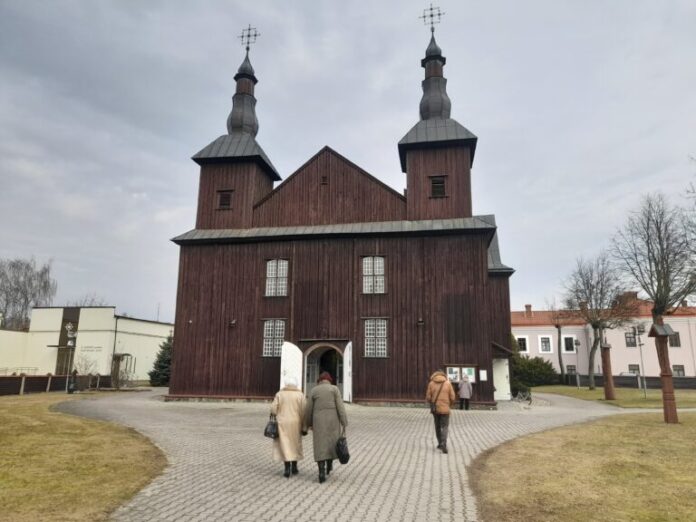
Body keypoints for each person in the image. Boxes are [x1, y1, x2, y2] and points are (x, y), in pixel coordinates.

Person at [304, 371, 348, 483]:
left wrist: (307, 424)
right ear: (329, 380)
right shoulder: (335, 389)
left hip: (318, 421)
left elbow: (308, 409)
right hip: (333, 421)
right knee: (331, 443)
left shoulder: (314, 390)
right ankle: (329, 466)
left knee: (320, 445)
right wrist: (344, 422)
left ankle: (321, 472)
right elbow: (340, 407)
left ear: (320, 380)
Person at [270, 376, 306, 478]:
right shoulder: (300, 395)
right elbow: (304, 411)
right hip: (296, 423)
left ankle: (287, 468)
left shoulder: (280, 394)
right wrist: (304, 426)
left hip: (283, 423)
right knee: (295, 444)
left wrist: (276, 413)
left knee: (285, 444)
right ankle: (294, 467)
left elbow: (273, 409)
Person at [425, 369, 456, 454]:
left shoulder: (431, 383)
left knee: (437, 426)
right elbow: (453, 397)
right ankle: (443, 443)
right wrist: (449, 404)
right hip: (445, 408)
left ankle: (439, 443)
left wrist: (432, 402)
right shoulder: (448, 383)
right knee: (445, 426)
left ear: (435, 375)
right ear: (443, 375)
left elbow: (428, 397)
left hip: (435, 409)